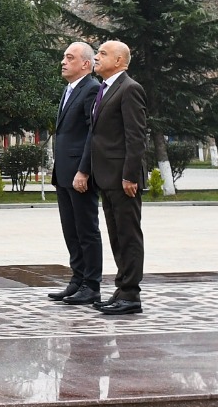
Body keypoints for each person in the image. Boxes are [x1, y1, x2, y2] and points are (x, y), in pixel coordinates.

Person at [82, 40, 148, 317]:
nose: (96, 57)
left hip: (123, 178)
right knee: (116, 236)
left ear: (120, 60)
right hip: (106, 177)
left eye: (102, 54)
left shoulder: (130, 89)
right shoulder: (106, 89)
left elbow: (136, 135)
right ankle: (121, 289)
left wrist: (130, 175)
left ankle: (131, 294)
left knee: (128, 236)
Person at [49, 42, 104, 306]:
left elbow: (93, 134)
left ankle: (91, 285)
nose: (63, 61)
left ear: (86, 64)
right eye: (63, 57)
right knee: (71, 230)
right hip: (63, 173)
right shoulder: (69, 89)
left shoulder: (92, 89)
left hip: (79, 175)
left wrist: (84, 170)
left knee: (86, 230)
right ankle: (77, 279)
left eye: (69, 58)